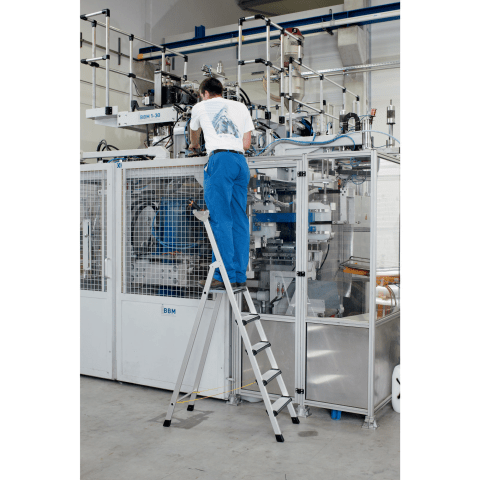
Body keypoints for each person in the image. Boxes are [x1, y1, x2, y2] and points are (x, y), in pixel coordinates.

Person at [189, 77, 254, 289]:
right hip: (240, 163)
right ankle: (238, 275)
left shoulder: (200, 107)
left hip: (221, 162)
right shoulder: (241, 107)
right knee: (239, 220)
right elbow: (246, 143)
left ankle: (224, 275)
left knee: (220, 219)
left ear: (205, 93)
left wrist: (194, 145)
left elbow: (194, 133)